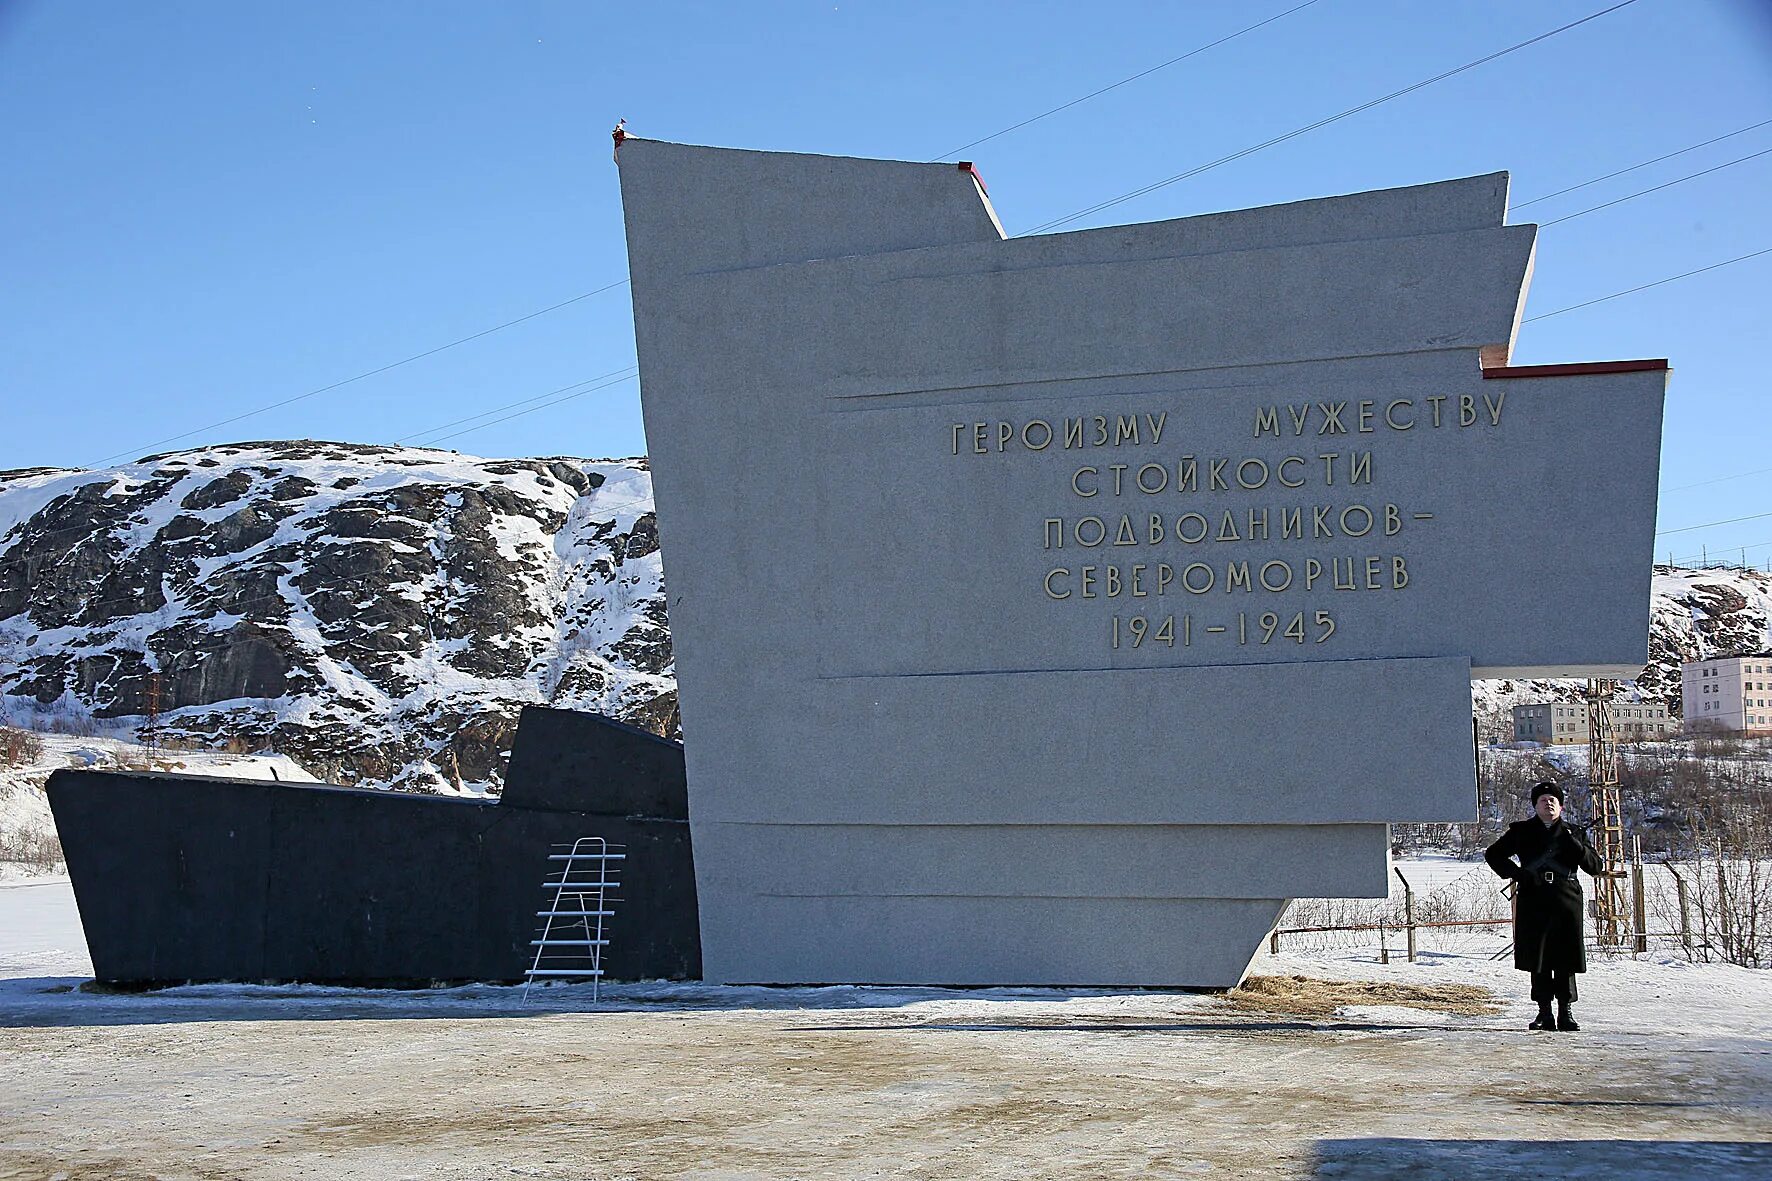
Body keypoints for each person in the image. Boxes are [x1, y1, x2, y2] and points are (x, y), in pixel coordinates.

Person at [1484, 781, 1604, 1031]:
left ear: (1560, 806)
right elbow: (1493, 854)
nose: (1548, 803)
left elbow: (1595, 867)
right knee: (1538, 957)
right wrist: (1518, 874)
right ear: (1535, 806)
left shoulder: (1574, 832)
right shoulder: (1521, 832)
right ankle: (1544, 1012)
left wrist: (1577, 847)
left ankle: (1566, 1011)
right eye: (1542, 800)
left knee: (1565, 956)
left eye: (1552, 800)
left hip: (1566, 898)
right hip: (1534, 897)